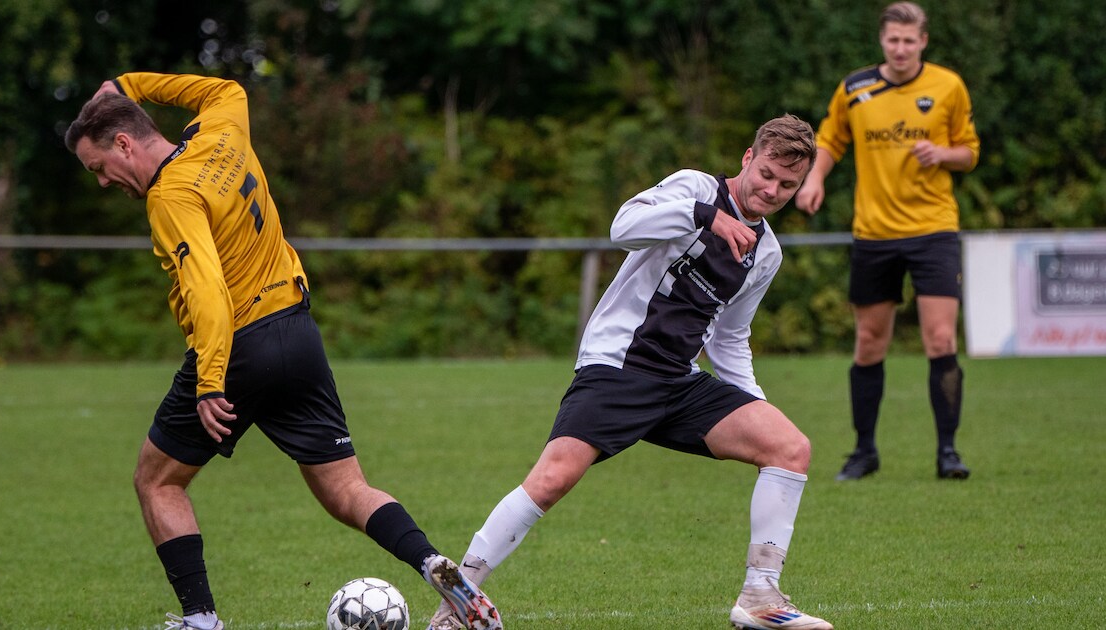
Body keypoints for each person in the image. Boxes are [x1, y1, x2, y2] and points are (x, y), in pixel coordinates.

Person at [64, 72, 502, 630]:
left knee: (157, 479)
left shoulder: (171, 195)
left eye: (99, 168)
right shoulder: (220, 130)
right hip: (297, 333)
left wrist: (209, 382)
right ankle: (430, 561)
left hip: (239, 347)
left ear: (123, 143)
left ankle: (200, 619)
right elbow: (225, 88)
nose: (103, 182)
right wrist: (129, 84)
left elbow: (208, 295)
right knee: (346, 488)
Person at [426, 115, 832, 630]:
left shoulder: (766, 253)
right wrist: (706, 216)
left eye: (787, 185)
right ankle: (457, 603)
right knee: (553, 479)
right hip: (619, 365)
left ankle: (760, 596)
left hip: (678, 381)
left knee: (789, 447)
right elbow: (623, 228)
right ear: (748, 158)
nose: (772, 190)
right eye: (767, 174)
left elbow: (729, 337)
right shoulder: (696, 188)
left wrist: (756, 404)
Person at [795, 1, 981, 481]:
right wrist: (815, 179)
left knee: (940, 338)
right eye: (892, 40)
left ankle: (947, 452)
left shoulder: (948, 86)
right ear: (883, 41)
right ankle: (864, 452)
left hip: (933, 228)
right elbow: (830, 141)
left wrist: (942, 152)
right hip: (874, 233)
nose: (900, 48)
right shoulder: (855, 88)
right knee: (869, 342)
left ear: (923, 41)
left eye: (909, 40)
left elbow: (970, 152)